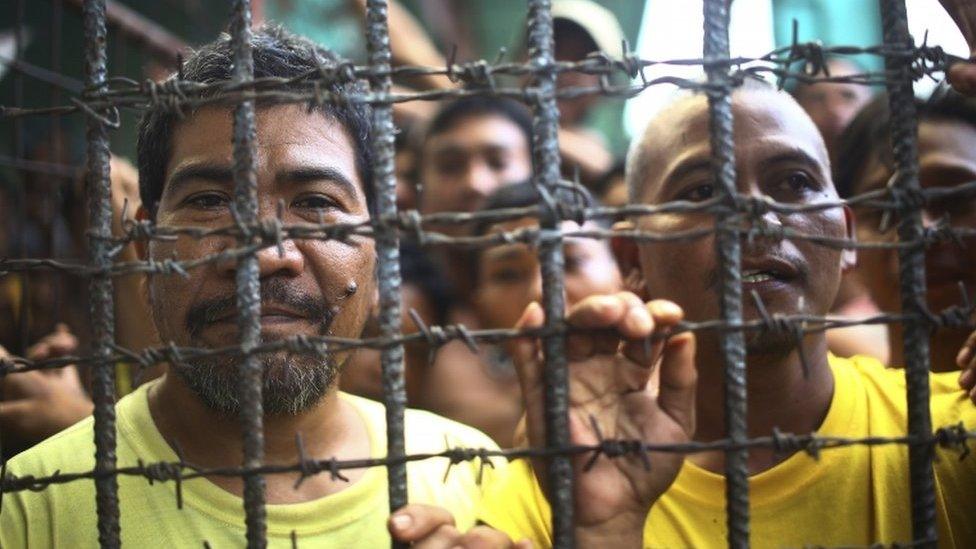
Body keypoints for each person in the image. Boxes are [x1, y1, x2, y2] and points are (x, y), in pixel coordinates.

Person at [0, 26, 518, 548]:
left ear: (380, 250)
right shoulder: (27, 505)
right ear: (143, 247)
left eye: (315, 203)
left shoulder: (473, 479)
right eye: (208, 202)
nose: (266, 256)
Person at [477, 81, 976, 546]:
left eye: (795, 182)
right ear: (633, 257)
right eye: (701, 192)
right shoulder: (567, 476)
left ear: (844, 237)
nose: (756, 216)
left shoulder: (954, 430)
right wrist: (606, 533)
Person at [417, 182, 623, 446]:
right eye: (509, 274)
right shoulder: (456, 418)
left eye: (569, 263)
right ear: (478, 301)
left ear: (625, 269)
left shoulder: (673, 386)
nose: (541, 290)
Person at [835, 91, 976, 373]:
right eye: (886, 212)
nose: (920, 232)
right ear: (846, 237)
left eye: (955, 200)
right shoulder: (821, 404)